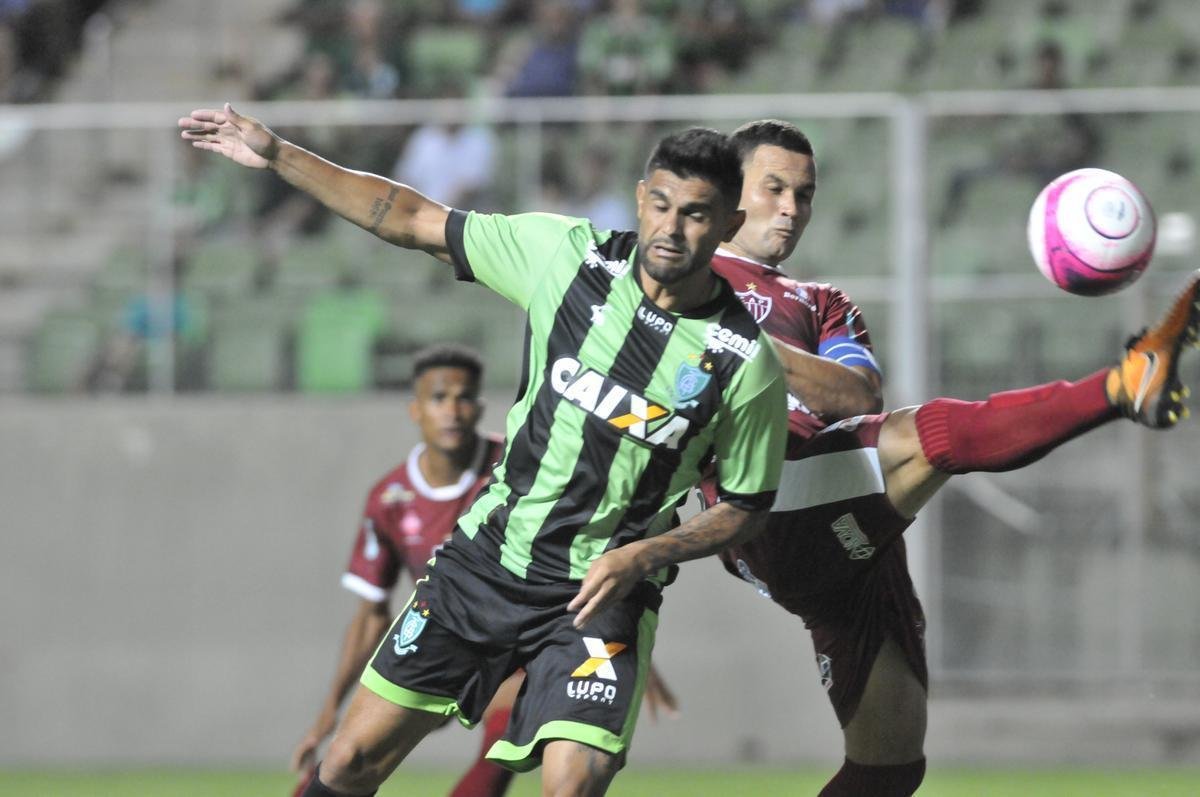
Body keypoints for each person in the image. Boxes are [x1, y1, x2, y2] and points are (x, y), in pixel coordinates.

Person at [179, 107, 788, 796]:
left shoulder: (745, 362)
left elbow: (747, 507)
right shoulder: (569, 257)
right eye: (661, 205)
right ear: (641, 197)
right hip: (487, 564)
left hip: (600, 594)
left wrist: (644, 554)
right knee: (349, 761)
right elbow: (411, 216)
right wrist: (280, 154)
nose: (672, 228)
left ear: (730, 225)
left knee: (572, 785)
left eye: (697, 214)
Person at [688, 119, 1198, 797]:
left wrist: (746, 345)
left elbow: (857, 392)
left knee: (890, 764)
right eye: (774, 188)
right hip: (766, 500)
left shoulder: (824, 303)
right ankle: (1123, 384)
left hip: (841, 523)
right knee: (929, 437)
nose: (791, 208)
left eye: (804, 194)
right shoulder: (683, 282)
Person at [290, 344, 515, 797]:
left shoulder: (516, 468)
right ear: (416, 409)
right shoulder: (389, 498)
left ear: (479, 407)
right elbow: (372, 614)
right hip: (440, 639)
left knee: (504, 741)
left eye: (464, 397)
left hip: (518, 638)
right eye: (439, 398)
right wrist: (330, 710)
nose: (452, 410)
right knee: (349, 760)